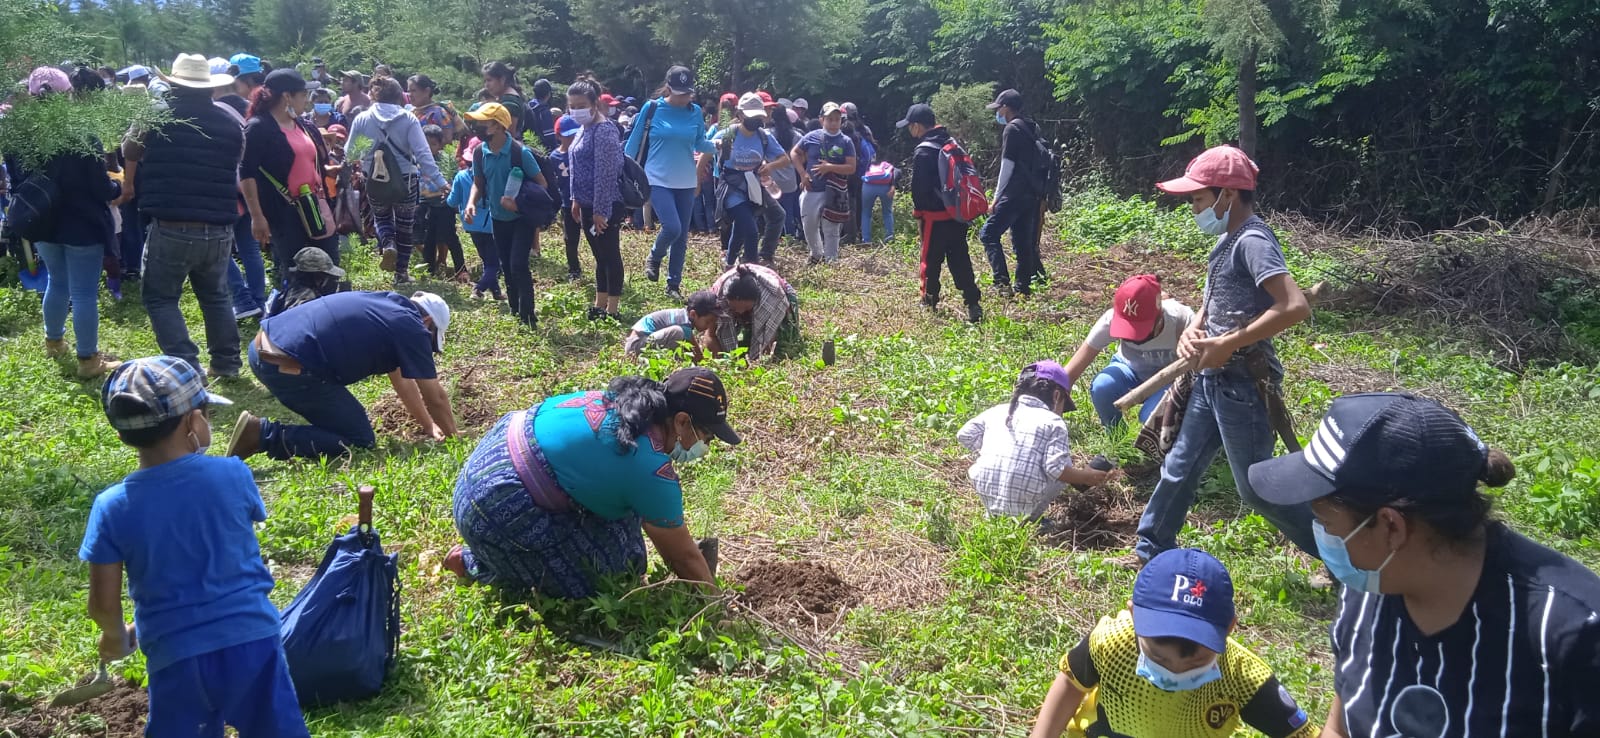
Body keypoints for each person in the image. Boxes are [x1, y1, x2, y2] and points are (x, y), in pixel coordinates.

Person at [1248, 392, 1600, 738]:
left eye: (1326, 522)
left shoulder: (1574, 634)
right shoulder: (1368, 590)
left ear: (1391, 527)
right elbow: (1340, 728)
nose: (1323, 536)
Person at [79, 356, 309, 737]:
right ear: (192, 422)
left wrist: (117, 635)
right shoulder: (232, 473)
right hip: (252, 639)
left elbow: (102, 605)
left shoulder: (111, 507)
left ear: (122, 435)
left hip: (175, 655)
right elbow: (216, 555)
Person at [1132, 145, 1316, 565]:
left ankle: (1347, 558)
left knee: (1257, 487)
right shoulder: (1227, 240)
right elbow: (1217, 300)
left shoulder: (1253, 241)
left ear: (1227, 195)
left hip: (1243, 383)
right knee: (1180, 465)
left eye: (1198, 198)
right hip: (1212, 379)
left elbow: (1293, 306)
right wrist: (1197, 327)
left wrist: (1228, 343)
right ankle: (1150, 548)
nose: (1194, 207)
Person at [444, 368, 738, 597]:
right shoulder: (650, 469)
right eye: (706, 437)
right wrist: (715, 604)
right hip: (496, 504)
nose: (705, 446)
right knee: (604, 576)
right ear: (682, 422)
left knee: (625, 528)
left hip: (486, 459)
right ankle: (476, 563)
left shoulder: (628, 406)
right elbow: (684, 556)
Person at [1029, 548, 1319, 738]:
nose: (1175, 672)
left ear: (1229, 629)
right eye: (1159, 658)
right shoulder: (1113, 642)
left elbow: (1300, 732)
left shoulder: (1242, 676)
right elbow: (1070, 682)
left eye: (1196, 662)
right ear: (1134, 616)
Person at [122, 54, 244, 379]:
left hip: (172, 224)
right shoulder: (231, 123)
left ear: (174, 84)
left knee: (161, 298)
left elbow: (129, 151)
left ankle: (187, 366)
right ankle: (227, 363)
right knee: (216, 297)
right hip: (219, 225)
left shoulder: (156, 115)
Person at [228, 290, 457, 460]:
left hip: (263, 347)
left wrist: (428, 425)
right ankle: (263, 435)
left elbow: (402, 381)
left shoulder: (389, 307)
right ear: (428, 323)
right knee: (360, 439)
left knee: (351, 425)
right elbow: (435, 396)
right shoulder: (413, 328)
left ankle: (263, 433)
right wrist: (455, 440)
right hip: (285, 365)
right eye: (431, 340)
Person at [8, 67, 122, 378]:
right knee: (84, 292)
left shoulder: (21, 135)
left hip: (42, 223)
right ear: (68, 93)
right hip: (82, 223)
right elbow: (100, 188)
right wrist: (117, 187)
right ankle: (88, 360)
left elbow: (18, 181)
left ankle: (54, 342)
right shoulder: (81, 133)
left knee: (56, 283)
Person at [957, 361, 1118, 520]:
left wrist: (993, 448)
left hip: (986, 491)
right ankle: (1029, 519)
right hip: (1024, 499)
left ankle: (996, 515)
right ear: (1056, 396)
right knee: (1064, 463)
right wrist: (1085, 477)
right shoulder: (1053, 422)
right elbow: (1055, 469)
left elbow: (964, 435)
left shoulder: (998, 410)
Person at [240, 69, 340, 287]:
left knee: (329, 269)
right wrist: (257, 217)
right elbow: (246, 173)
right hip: (285, 213)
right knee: (299, 273)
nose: (306, 100)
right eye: (303, 95)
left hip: (315, 206)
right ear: (287, 96)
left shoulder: (302, 125)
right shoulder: (259, 127)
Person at [347, 77, 448, 286]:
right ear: (399, 97)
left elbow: (350, 154)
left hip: (374, 180)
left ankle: (387, 243)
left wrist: (364, 163)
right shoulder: (408, 119)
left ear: (374, 95)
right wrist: (440, 182)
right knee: (405, 226)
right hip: (406, 181)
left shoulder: (362, 119)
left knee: (381, 218)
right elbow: (423, 154)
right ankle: (401, 274)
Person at [1063, 274, 1197, 430]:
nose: (1132, 336)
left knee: (1151, 416)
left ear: (1159, 316)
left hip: (1168, 382)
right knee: (1102, 387)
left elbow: (1202, 370)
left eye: (1139, 329)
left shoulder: (1182, 321)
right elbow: (1070, 373)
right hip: (1129, 372)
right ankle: (1116, 436)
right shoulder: (1111, 319)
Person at [629, 66, 715, 301]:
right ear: (668, 88)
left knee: (681, 237)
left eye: (687, 92)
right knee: (672, 227)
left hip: (686, 180)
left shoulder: (695, 111)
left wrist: (720, 143)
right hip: (657, 178)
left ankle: (673, 284)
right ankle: (655, 256)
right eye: (678, 92)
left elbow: (700, 143)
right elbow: (634, 142)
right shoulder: (652, 108)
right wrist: (623, 169)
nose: (683, 97)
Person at [463, 102, 545, 328]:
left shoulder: (520, 153)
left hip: (521, 218)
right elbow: (478, 183)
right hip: (498, 218)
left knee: (518, 264)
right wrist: (471, 203)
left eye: (482, 123)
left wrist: (517, 203)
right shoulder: (480, 152)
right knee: (507, 266)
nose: (477, 127)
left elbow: (541, 184)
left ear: (498, 126)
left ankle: (529, 315)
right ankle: (515, 310)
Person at [901, 104, 983, 323]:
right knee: (960, 258)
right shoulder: (951, 143)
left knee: (930, 260)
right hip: (957, 214)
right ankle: (973, 303)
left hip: (934, 218)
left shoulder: (923, 150)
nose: (910, 131)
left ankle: (929, 300)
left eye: (910, 126)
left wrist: (919, 215)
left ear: (917, 126)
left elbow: (919, 189)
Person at [566, 78, 627, 323]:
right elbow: (576, 165)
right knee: (599, 257)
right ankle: (599, 303)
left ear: (594, 103)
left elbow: (605, 173)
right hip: (587, 204)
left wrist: (602, 211)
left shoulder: (604, 131)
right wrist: (575, 198)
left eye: (581, 104)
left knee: (610, 255)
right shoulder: (584, 129)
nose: (576, 109)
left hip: (606, 204)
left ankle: (612, 309)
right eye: (572, 105)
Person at [705, 93, 787, 268]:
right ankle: (751, 268)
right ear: (740, 115)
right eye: (752, 116)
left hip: (754, 187)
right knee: (751, 230)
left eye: (758, 116)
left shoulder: (764, 137)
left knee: (742, 227)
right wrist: (697, 181)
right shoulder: (728, 134)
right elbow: (705, 153)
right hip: (731, 187)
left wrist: (770, 167)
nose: (755, 120)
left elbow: (784, 158)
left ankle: (729, 263)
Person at [981, 89, 1045, 297]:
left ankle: (1002, 283)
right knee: (1022, 241)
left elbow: (1007, 167)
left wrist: (996, 198)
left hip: (1014, 194)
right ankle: (1023, 287)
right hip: (1031, 194)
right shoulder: (1031, 127)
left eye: (999, 108)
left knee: (988, 234)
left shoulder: (1011, 129)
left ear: (1006, 108)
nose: (998, 112)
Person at [791, 102, 857, 265]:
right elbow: (794, 153)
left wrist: (830, 167)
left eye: (837, 119)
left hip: (835, 191)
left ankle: (831, 260)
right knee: (809, 225)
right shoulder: (811, 137)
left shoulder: (846, 142)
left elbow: (851, 167)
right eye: (830, 119)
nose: (834, 123)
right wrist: (802, 174)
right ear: (822, 120)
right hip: (812, 189)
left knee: (832, 228)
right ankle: (816, 253)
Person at [707, 263, 801, 365]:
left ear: (756, 302)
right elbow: (710, 335)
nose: (740, 311)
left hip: (777, 293)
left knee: (787, 337)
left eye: (746, 308)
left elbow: (768, 339)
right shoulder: (717, 297)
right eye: (734, 308)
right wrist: (722, 362)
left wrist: (757, 363)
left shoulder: (772, 298)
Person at [446, 140, 501, 300]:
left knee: (486, 259)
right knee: (494, 263)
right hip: (491, 224)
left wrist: (447, 192)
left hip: (471, 224)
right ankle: (479, 288)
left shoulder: (461, 176)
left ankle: (496, 292)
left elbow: (451, 202)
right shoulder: (492, 176)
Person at [417, 125, 465, 280]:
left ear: (440, 144)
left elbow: (455, 179)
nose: (429, 148)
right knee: (429, 238)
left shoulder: (446, 160)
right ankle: (430, 269)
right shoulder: (418, 160)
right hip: (427, 204)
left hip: (445, 205)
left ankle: (461, 269)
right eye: (426, 144)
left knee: (449, 236)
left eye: (433, 144)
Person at [624, 290, 720, 359]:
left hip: (644, 342)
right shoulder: (684, 323)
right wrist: (702, 361)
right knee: (677, 332)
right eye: (708, 321)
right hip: (636, 346)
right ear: (693, 314)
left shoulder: (683, 317)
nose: (709, 326)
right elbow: (696, 352)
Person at [549, 114, 583, 283]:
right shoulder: (554, 157)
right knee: (570, 239)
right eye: (567, 135)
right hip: (567, 204)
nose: (572, 138)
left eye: (574, 134)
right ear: (558, 136)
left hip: (586, 202)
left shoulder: (582, 151)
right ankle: (574, 269)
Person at [265, 247, 344, 317]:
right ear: (318, 276)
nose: (327, 279)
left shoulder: (292, 288)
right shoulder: (306, 300)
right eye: (326, 275)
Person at [407, 74, 458, 145]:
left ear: (427, 91)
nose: (409, 94)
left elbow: (447, 139)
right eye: (408, 91)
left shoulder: (439, 113)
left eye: (413, 91)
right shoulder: (411, 110)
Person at [860, 150, 896, 244]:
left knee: (866, 213)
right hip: (885, 187)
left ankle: (866, 239)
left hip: (868, 187)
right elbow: (894, 175)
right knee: (887, 212)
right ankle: (889, 237)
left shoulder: (869, 164)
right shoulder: (887, 165)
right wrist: (893, 187)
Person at [481, 61, 525, 137]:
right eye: (485, 81)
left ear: (502, 79)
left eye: (489, 80)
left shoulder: (509, 102)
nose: (486, 85)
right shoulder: (504, 98)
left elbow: (508, 135)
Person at [526, 78, 558, 151]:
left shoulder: (527, 107)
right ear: (548, 94)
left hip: (528, 147)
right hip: (542, 151)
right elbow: (550, 137)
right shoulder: (544, 111)